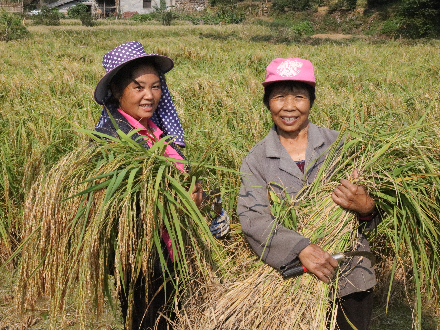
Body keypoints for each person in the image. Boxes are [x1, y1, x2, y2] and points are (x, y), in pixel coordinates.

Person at [93, 41, 230, 329]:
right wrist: (179, 203)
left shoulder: (158, 131)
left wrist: (203, 198)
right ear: (118, 91)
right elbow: (112, 206)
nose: (149, 95)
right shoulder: (112, 138)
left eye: (156, 86)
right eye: (139, 87)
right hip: (143, 258)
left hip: (174, 252)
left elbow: (183, 177)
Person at [237, 58, 380, 330]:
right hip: (292, 276)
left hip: (351, 274)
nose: (289, 107)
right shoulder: (256, 160)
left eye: (299, 97)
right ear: (268, 102)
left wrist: (367, 207)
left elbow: (382, 211)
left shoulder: (341, 146)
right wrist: (300, 247)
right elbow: (253, 219)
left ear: (311, 101)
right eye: (279, 97)